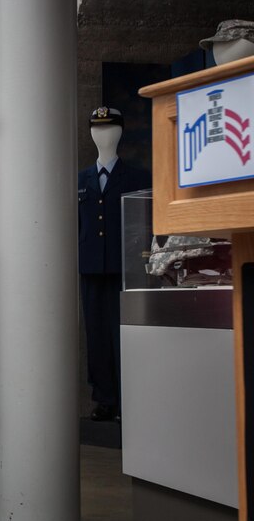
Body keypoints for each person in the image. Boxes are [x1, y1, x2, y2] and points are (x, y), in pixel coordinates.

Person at [77, 107, 149, 422]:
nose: (102, 135)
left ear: (120, 133)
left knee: (126, 334)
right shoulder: (80, 179)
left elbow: (144, 224)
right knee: (97, 335)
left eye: (108, 129)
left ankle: (128, 398)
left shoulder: (138, 177)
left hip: (126, 267)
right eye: (96, 129)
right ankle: (104, 398)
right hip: (91, 267)